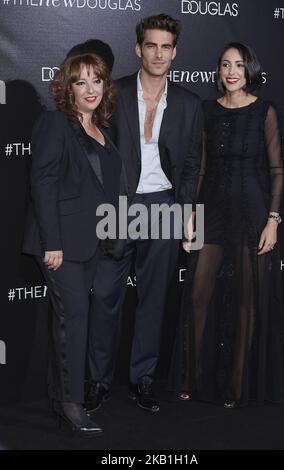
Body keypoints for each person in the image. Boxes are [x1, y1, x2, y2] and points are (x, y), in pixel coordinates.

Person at [86, 13, 202, 413]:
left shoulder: (188, 104)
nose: (158, 53)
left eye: (166, 46)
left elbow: (192, 166)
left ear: (174, 52)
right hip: (118, 207)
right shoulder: (113, 94)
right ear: (138, 49)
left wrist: (188, 217)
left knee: (154, 301)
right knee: (104, 297)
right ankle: (97, 382)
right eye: (150, 45)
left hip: (165, 205)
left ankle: (143, 380)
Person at [171, 42, 284, 408]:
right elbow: (200, 166)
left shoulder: (265, 111)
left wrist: (273, 220)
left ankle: (235, 388)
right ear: (218, 72)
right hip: (212, 211)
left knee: (245, 303)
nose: (231, 71)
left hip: (252, 213)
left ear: (249, 69)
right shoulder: (207, 110)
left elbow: (277, 171)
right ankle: (192, 378)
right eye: (225, 65)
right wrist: (189, 215)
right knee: (198, 295)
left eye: (238, 64)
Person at [22, 51, 121, 435]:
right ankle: (70, 404)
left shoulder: (101, 129)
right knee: (73, 322)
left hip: (91, 243)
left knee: (72, 321)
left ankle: (60, 397)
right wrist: (53, 242)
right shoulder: (55, 123)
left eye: (96, 80)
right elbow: (42, 184)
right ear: (68, 88)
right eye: (81, 81)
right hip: (61, 245)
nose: (90, 88)